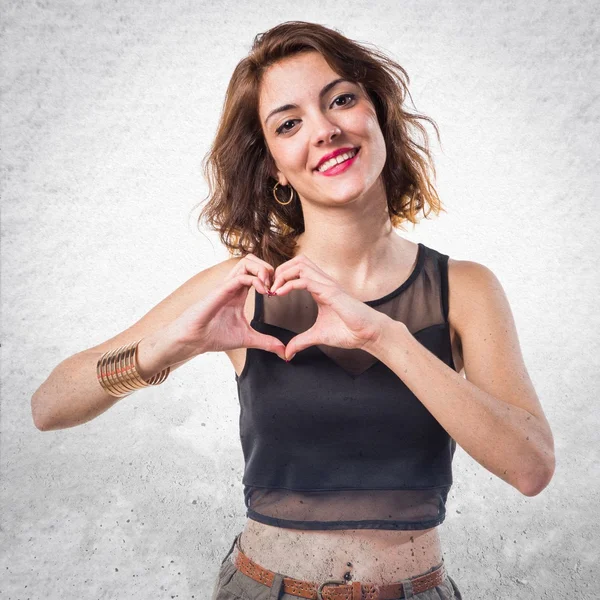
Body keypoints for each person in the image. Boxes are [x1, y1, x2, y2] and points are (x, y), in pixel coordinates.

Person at [31, 21, 555, 600]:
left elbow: (530, 468)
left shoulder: (465, 288)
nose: (326, 130)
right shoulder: (241, 288)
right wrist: (164, 351)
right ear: (275, 165)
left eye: (342, 100)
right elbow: (49, 406)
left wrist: (387, 339)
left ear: (377, 113)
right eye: (289, 123)